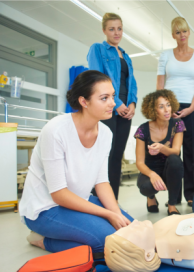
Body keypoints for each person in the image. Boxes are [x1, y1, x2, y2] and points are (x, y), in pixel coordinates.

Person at [19, 70, 133, 254]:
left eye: (112, 96)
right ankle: (42, 240)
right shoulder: (56, 130)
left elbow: (102, 181)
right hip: (45, 208)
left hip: (79, 200)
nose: (113, 103)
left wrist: (117, 214)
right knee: (107, 245)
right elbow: (58, 195)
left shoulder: (105, 134)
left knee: (130, 234)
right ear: (84, 101)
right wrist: (107, 214)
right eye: (104, 98)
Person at [157, 16, 194, 207]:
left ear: (189, 32)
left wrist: (191, 108)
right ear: (173, 35)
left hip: (191, 107)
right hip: (170, 107)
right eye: (178, 32)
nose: (182, 35)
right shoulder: (165, 55)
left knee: (191, 152)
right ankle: (174, 196)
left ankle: (191, 193)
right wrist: (162, 107)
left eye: (184, 31)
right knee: (172, 153)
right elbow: (160, 83)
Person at [87, 13, 138, 201]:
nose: (116, 33)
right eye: (111, 29)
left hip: (125, 111)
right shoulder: (98, 49)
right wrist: (116, 104)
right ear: (104, 30)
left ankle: (112, 202)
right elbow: (97, 79)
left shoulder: (126, 55)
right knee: (104, 157)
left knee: (117, 157)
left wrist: (132, 104)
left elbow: (131, 82)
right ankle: (96, 202)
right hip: (108, 108)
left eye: (119, 28)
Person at [134, 90, 185, 216]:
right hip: (150, 169)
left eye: (168, 105)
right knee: (146, 187)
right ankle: (151, 197)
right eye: (161, 107)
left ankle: (172, 205)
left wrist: (162, 148)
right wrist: (152, 175)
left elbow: (176, 151)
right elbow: (139, 163)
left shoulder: (177, 124)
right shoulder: (143, 129)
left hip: (169, 169)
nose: (167, 110)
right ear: (153, 110)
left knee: (175, 160)